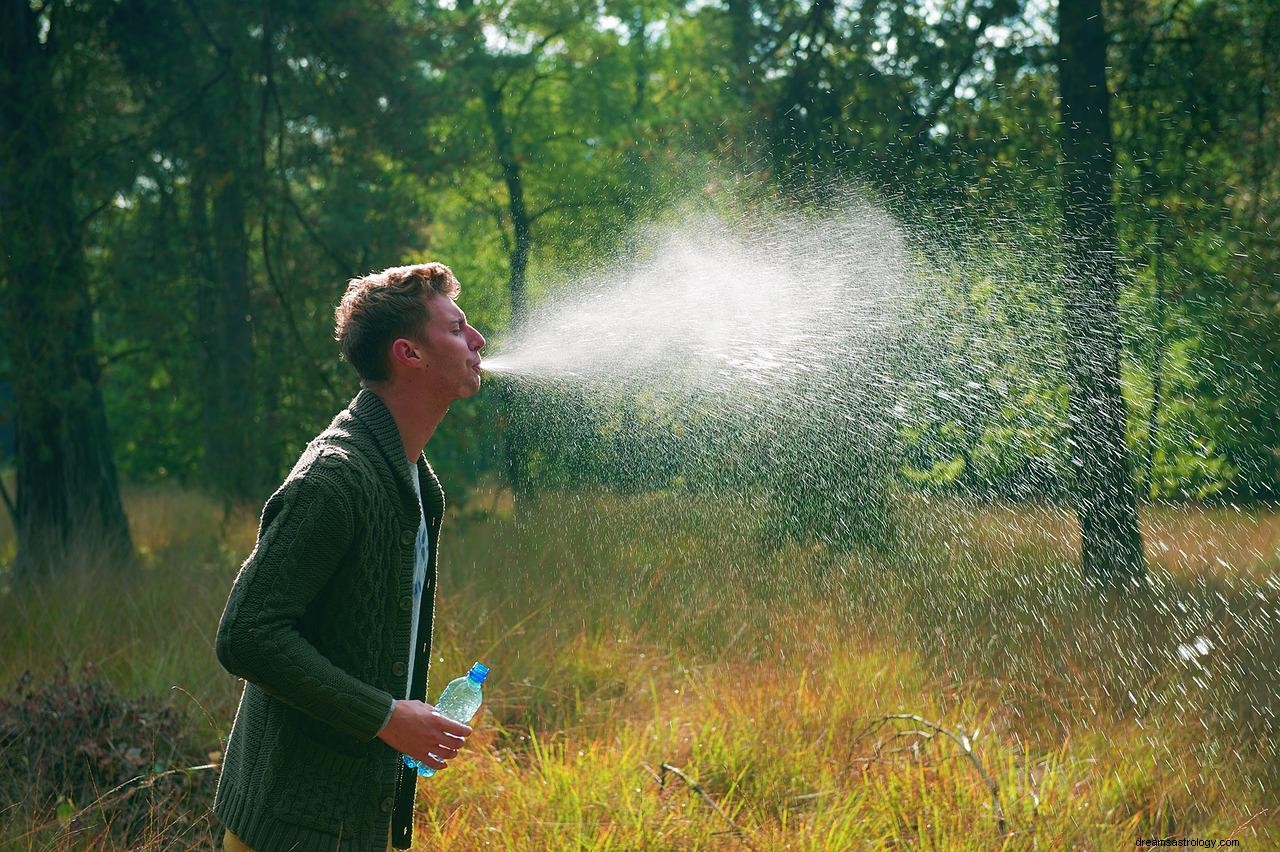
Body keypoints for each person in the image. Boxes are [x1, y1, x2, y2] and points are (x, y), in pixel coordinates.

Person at [213, 262, 487, 851]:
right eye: (457, 328)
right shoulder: (335, 479)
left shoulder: (415, 480)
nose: (477, 341)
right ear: (409, 353)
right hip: (288, 828)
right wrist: (387, 716)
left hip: (352, 823)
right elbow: (246, 635)